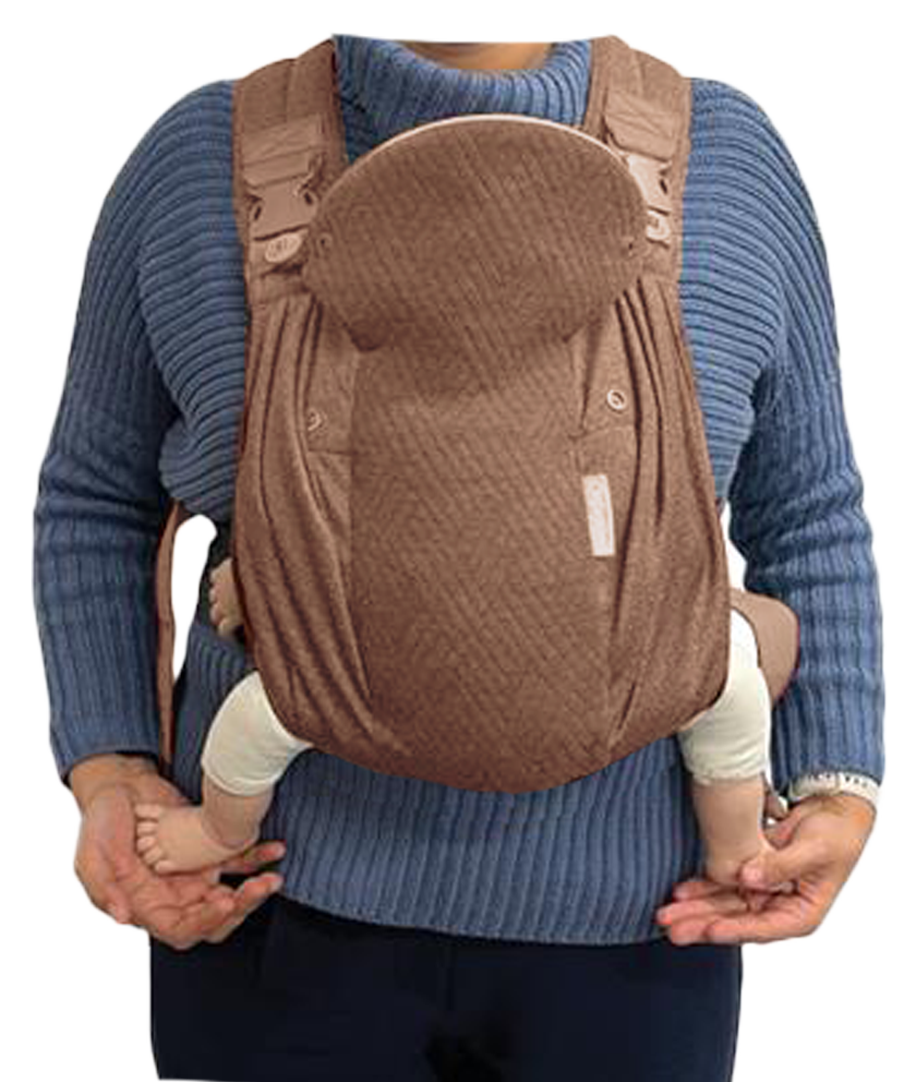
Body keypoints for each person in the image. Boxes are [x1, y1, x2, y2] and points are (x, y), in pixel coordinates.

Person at [32, 29, 884, 1082]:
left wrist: (836, 782)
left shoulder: (728, 161)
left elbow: (807, 507)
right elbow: (98, 497)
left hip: (639, 931)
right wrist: (113, 769)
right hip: (268, 918)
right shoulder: (199, 161)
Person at [135, 554, 794, 893]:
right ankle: (735, 844)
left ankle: (222, 827)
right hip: (566, 649)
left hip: (399, 654)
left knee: (266, 713)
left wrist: (260, 575)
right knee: (733, 676)